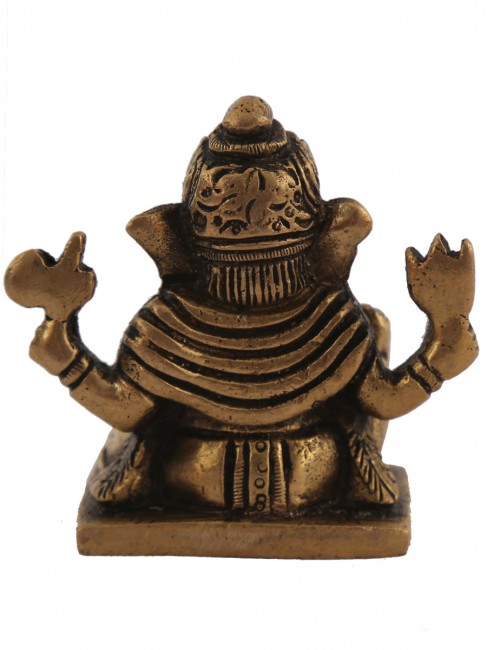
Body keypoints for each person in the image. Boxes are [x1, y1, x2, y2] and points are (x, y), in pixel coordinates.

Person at [5, 96, 478, 515]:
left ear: (183, 236)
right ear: (320, 231)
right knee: (378, 331)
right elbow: (385, 400)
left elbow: (127, 412)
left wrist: (62, 344)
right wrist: (444, 341)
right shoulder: (334, 321)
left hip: (190, 475)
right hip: (312, 474)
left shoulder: (165, 324)